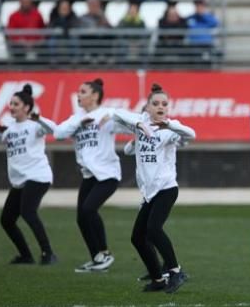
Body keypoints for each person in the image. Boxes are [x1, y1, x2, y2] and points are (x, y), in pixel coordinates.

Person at [113, 84, 194, 294]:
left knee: (154, 229)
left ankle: (176, 272)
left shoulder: (170, 128)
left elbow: (191, 134)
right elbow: (116, 114)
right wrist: (139, 124)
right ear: (147, 107)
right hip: (149, 193)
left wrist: (170, 126)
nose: (160, 107)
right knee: (137, 238)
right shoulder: (140, 125)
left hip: (166, 188)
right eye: (155, 103)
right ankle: (158, 279)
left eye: (164, 104)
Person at [53, 78, 122, 273]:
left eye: (83, 91)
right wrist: (80, 123)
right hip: (89, 176)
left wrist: (116, 120)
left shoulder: (107, 113)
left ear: (95, 95)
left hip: (108, 175)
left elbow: (129, 123)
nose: (79, 95)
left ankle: (105, 253)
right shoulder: (77, 117)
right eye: (78, 91)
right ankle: (97, 258)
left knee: (89, 209)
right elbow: (58, 133)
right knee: (81, 217)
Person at [0, 84, 58, 266]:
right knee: (6, 220)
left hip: (38, 176)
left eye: (16, 104)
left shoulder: (34, 125)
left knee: (28, 212)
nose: (11, 107)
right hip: (20, 180)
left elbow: (54, 129)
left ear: (27, 107)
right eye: (11, 103)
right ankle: (26, 255)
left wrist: (39, 119)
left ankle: (49, 253)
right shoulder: (10, 127)